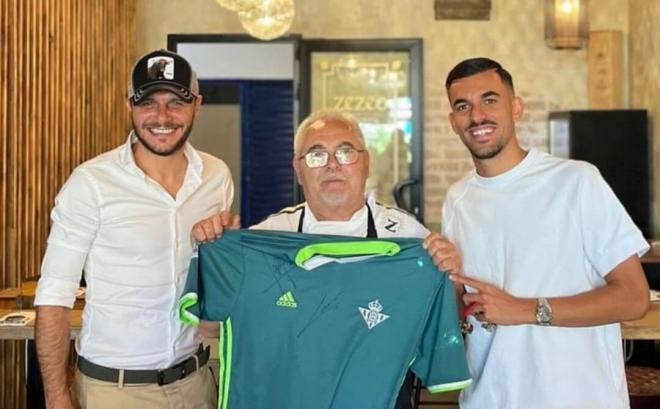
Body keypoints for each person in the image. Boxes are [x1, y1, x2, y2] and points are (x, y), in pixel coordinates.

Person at [193, 109, 464, 409]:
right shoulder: (265, 239)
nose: (333, 165)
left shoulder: (409, 238)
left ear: (366, 161)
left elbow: (441, 317)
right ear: (298, 169)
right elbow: (211, 327)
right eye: (316, 155)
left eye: (345, 152)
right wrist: (214, 251)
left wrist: (448, 273)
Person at [442, 57, 650, 409]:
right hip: (489, 399)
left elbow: (633, 298)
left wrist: (524, 309)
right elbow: (462, 312)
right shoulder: (456, 199)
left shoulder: (577, 181)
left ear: (516, 107)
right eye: (464, 106)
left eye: (489, 100)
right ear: (453, 121)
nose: (477, 116)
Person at [34, 49, 235, 409]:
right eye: (147, 103)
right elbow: (54, 295)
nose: (162, 116)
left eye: (176, 102)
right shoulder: (91, 182)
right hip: (114, 390)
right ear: (130, 104)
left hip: (197, 382)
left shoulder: (216, 176)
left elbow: (215, 275)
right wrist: (56, 397)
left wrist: (223, 242)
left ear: (197, 105)